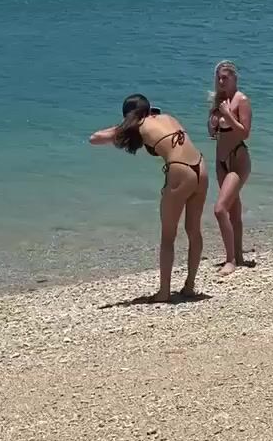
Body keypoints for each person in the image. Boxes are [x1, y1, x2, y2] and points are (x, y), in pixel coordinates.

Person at [89, 95, 207, 302]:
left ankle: (164, 292)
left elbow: (95, 138)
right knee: (193, 230)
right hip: (201, 168)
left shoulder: (139, 125)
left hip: (180, 170)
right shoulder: (168, 118)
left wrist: (123, 126)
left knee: (168, 236)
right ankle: (189, 286)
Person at [208, 61, 252, 275]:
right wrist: (214, 119)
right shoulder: (218, 101)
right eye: (219, 77)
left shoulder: (241, 100)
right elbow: (212, 134)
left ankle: (230, 260)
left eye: (225, 77)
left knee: (220, 209)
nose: (221, 81)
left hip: (238, 159)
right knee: (233, 209)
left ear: (235, 78)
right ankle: (239, 256)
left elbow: (245, 133)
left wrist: (227, 115)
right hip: (221, 161)